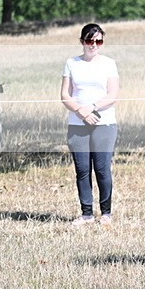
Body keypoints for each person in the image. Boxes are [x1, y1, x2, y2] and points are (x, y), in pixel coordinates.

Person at [60, 23, 120, 226]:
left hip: (104, 124)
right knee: (83, 169)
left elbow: (112, 95)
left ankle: (106, 213)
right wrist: (80, 111)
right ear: (82, 41)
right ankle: (86, 214)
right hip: (77, 124)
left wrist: (91, 108)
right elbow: (65, 95)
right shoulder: (71, 63)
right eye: (89, 40)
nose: (93, 44)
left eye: (98, 41)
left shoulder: (109, 63)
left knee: (102, 168)